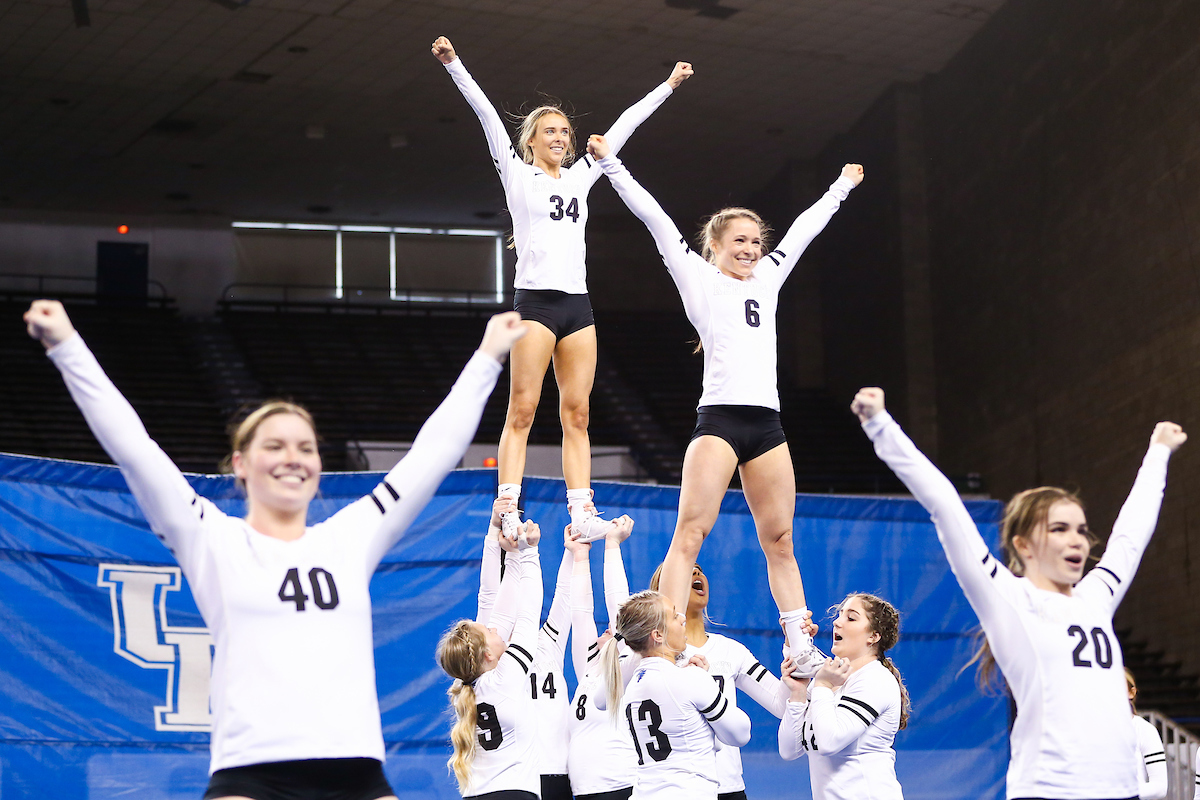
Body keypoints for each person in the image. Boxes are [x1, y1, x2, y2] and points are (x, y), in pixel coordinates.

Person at [23, 299, 527, 800]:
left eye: (305, 447)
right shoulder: (211, 538)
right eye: (275, 446)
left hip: (355, 777)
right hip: (251, 775)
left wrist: (487, 356)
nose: (293, 458)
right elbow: (134, 449)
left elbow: (431, 455)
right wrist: (66, 346)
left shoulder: (351, 537)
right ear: (240, 463)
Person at [586, 132, 863, 677]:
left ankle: (798, 642)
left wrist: (840, 189)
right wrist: (612, 165)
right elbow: (656, 220)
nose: (751, 249)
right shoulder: (699, 278)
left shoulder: (770, 277)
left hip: (767, 425)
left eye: (756, 241)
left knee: (780, 539)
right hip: (719, 420)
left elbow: (805, 230)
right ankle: (668, 639)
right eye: (739, 240)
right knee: (690, 533)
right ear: (716, 245)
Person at [852, 386, 1186, 800]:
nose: (1077, 541)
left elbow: (1130, 537)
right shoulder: (1007, 597)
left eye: (1081, 530)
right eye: (1060, 530)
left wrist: (1158, 453)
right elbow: (945, 505)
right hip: (1050, 792)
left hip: (1120, 792)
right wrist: (881, 426)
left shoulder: (1096, 597)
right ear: (1025, 545)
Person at [431, 35, 693, 543]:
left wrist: (668, 85)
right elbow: (487, 114)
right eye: (549, 130)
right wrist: (454, 63)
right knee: (523, 408)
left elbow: (624, 126)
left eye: (565, 132)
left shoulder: (579, 178)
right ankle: (507, 504)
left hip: (577, 307)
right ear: (531, 139)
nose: (559, 137)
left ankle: (582, 512)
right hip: (535, 303)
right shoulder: (517, 175)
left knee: (578, 412)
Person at [649, 563, 790, 800]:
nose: (697, 573)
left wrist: (792, 647)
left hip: (729, 787)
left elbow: (781, 704)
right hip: (678, 789)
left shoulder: (731, 651)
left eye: (699, 569)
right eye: (686, 570)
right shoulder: (655, 655)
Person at [597, 590, 752, 799]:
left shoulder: (633, 685)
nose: (683, 618)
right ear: (658, 635)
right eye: (674, 615)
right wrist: (708, 683)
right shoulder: (691, 680)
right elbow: (740, 733)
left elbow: (704, 742)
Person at [437, 519, 544, 799]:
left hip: (476, 794)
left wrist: (513, 555)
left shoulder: (469, 688)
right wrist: (530, 552)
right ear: (487, 654)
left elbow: (504, 614)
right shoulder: (504, 677)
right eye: (489, 630)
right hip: (513, 793)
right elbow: (528, 614)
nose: (495, 626)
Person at [777, 593, 908, 800]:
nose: (837, 622)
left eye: (851, 618)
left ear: (873, 636)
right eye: (839, 615)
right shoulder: (830, 679)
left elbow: (829, 742)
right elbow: (788, 750)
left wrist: (822, 685)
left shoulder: (875, 680)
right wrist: (798, 692)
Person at [565, 515, 638, 800]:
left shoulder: (627, 663)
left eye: (613, 629)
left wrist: (612, 544)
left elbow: (619, 608)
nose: (607, 628)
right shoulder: (589, 671)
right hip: (586, 792)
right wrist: (580, 555)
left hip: (622, 786)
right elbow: (580, 614)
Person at [1125, 670, 1167, 800]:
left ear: (1131, 692)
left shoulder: (1144, 729)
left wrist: (1120, 793)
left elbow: (1160, 787)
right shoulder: (1090, 731)